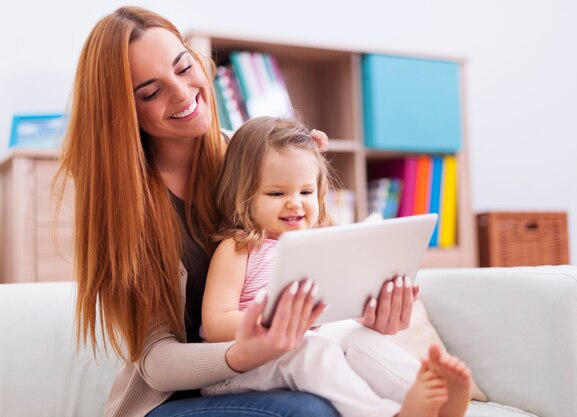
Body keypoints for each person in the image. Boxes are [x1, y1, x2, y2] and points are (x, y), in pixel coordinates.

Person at [54, 6, 426, 417]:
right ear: (123, 112)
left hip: (278, 359)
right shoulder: (125, 206)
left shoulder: (259, 158)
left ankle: (431, 401)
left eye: (182, 67)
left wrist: (366, 313)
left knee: (334, 372)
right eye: (151, 92)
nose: (181, 94)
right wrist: (246, 351)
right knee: (308, 410)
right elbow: (155, 362)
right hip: (177, 399)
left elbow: (319, 264)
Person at [201, 116, 472, 417]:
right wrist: (271, 320)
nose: (295, 204)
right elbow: (214, 325)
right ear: (242, 195)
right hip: (241, 368)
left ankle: (434, 399)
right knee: (309, 349)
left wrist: (367, 310)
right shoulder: (238, 247)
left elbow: (333, 314)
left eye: (305, 192)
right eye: (276, 194)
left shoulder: (320, 243)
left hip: (305, 347)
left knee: (358, 339)